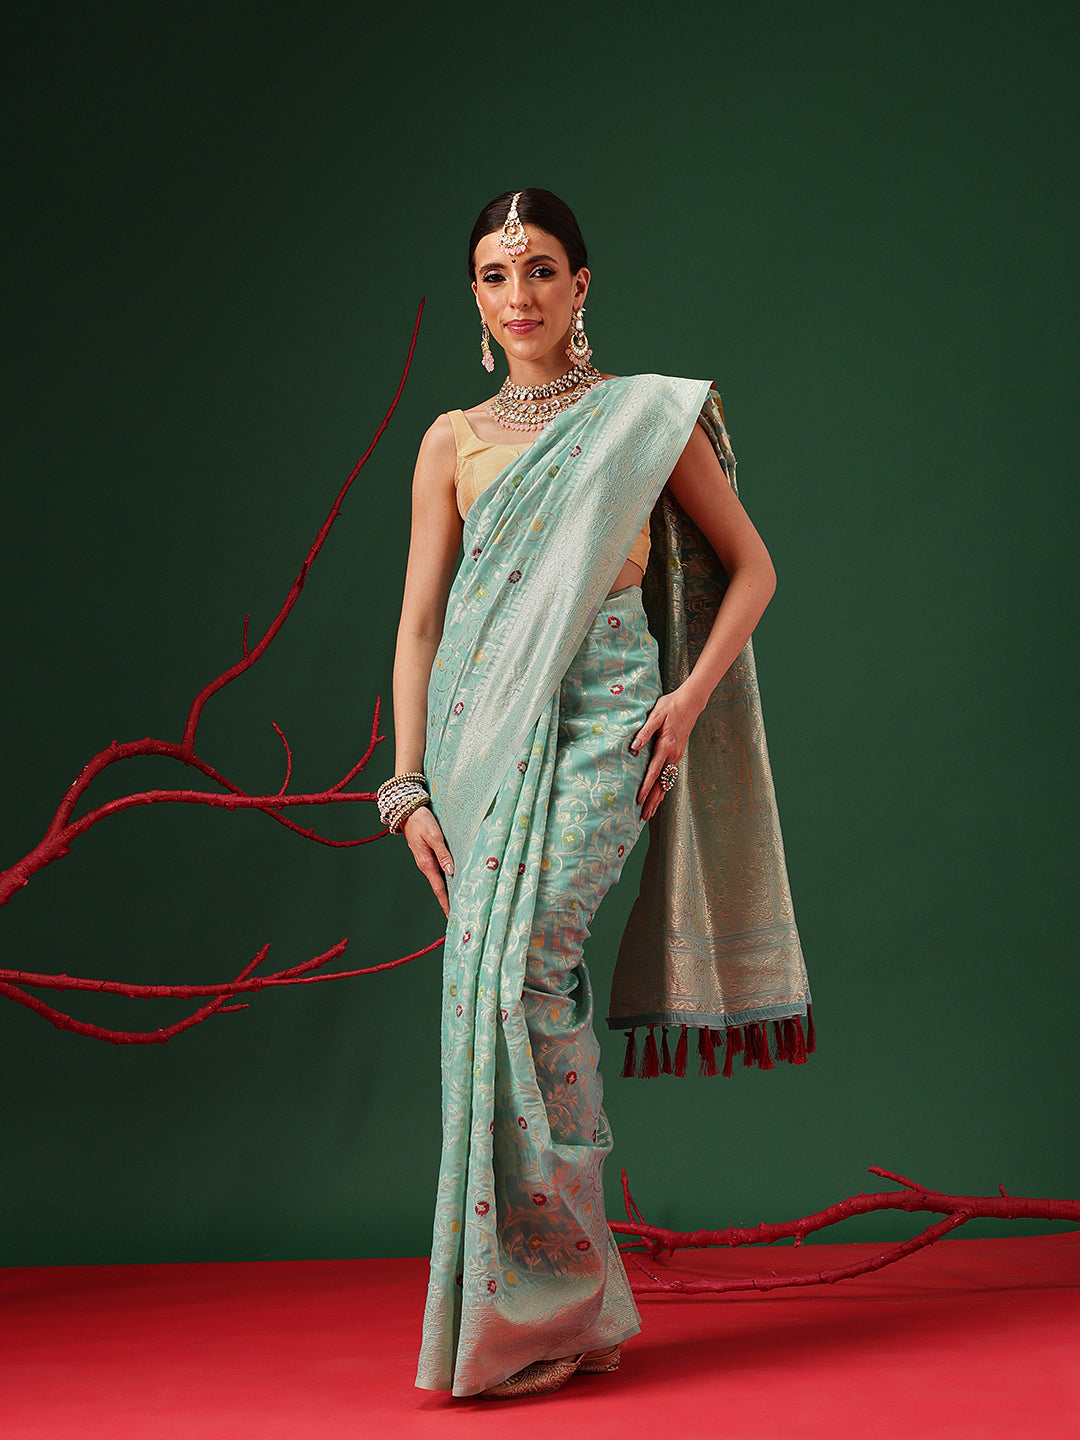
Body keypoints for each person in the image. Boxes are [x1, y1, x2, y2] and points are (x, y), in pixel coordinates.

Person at [381, 189, 811, 1400]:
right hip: (478, 745)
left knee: (527, 966)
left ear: (581, 285)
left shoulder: (641, 419)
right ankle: (548, 1306)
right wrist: (407, 787)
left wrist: (687, 700)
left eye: (540, 271)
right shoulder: (451, 441)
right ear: (476, 296)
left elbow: (754, 568)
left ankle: (554, 1297)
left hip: (606, 726)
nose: (517, 296)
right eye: (494, 274)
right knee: (495, 992)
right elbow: (420, 626)